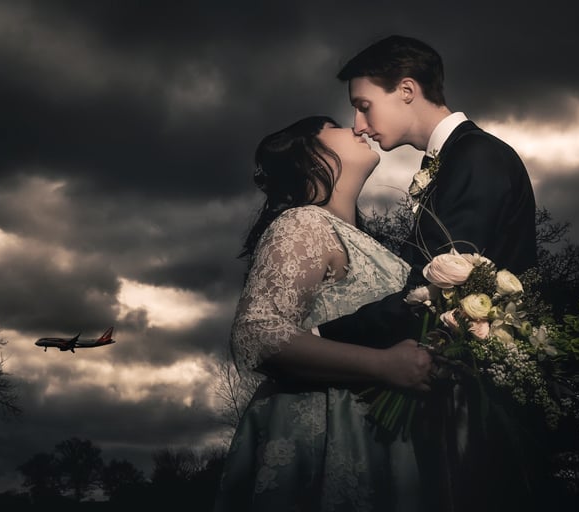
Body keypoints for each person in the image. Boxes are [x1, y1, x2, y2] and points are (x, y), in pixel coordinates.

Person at [316, 36, 541, 512]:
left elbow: (434, 289)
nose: (359, 126)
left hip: (474, 401)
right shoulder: (456, 159)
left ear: (405, 90)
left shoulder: (476, 156)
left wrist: (319, 337)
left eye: (363, 106)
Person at [213, 115, 433, 512]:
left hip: (381, 436)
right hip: (323, 432)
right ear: (312, 153)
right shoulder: (303, 223)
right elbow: (256, 334)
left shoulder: (365, 241)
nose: (359, 127)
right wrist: (384, 365)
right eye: (334, 124)